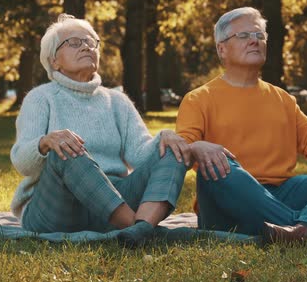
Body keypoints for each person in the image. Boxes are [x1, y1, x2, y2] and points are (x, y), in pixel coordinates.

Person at [176, 7, 307, 245]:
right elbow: (182, 148)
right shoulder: (198, 98)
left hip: (283, 193)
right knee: (218, 165)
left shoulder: (283, 99)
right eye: (244, 35)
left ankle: (303, 231)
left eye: (259, 36)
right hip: (228, 198)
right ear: (221, 48)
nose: (254, 41)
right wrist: (199, 147)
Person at [10, 14, 190, 247]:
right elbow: (23, 163)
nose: (86, 46)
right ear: (54, 60)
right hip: (58, 209)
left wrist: (163, 138)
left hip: (114, 200)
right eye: (74, 42)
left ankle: (141, 228)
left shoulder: (117, 101)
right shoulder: (40, 98)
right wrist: (46, 142)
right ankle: (137, 228)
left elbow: (140, 156)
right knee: (66, 146)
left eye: (90, 42)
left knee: (174, 148)